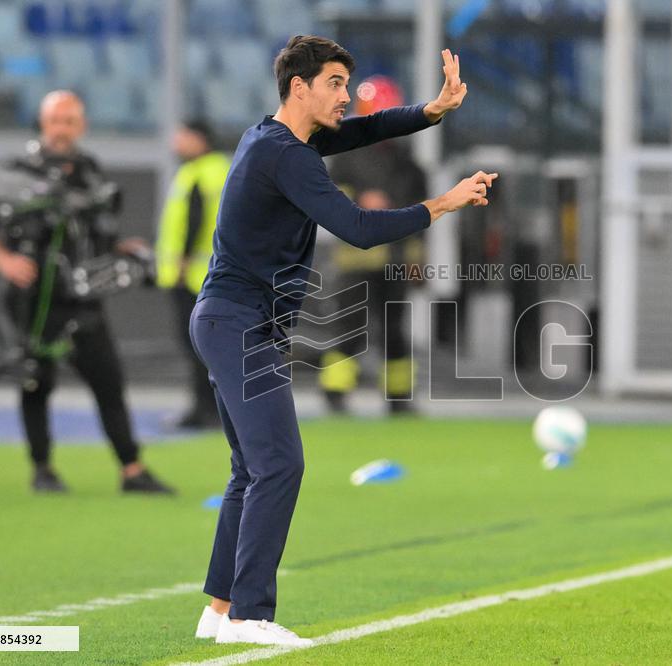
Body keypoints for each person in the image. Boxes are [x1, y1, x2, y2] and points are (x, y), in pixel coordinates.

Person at [189, 35, 496, 646]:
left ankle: (220, 611)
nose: (346, 96)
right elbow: (356, 228)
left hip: (232, 319)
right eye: (334, 83)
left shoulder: (275, 137)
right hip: (237, 321)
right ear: (299, 87)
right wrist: (444, 203)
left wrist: (432, 111)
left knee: (250, 469)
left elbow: (368, 128)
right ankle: (250, 616)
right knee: (279, 464)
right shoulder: (288, 155)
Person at [0, 90, 175, 496]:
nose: (62, 129)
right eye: (55, 121)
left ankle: (131, 470)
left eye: (69, 121)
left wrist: (120, 252)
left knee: (108, 380)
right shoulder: (19, 170)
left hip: (83, 296)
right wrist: (5, 262)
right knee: (36, 383)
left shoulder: (89, 170)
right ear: (42, 123)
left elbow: (96, 231)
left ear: (81, 125)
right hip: (36, 297)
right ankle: (42, 469)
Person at [318, 75, 428, 415]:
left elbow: (422, 213)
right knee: (349, 327)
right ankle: (334, 393)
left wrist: (418, 259)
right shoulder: (346, 154)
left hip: (395, 258)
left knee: (394, 331)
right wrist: (363, 200)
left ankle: (399, 398)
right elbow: (331, 197)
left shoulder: (408, 162)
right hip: (356, 258)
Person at [155, 120, 230, 428]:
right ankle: (215, 410)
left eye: (182, 134)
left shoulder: (198, 173)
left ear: (199, 138)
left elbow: (194, 220)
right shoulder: (221, 169)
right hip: (217, 272)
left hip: (194, 276)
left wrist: (183, 261)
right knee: (214, 349)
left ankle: (204, 410)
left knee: (199, 349)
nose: (176, 140)